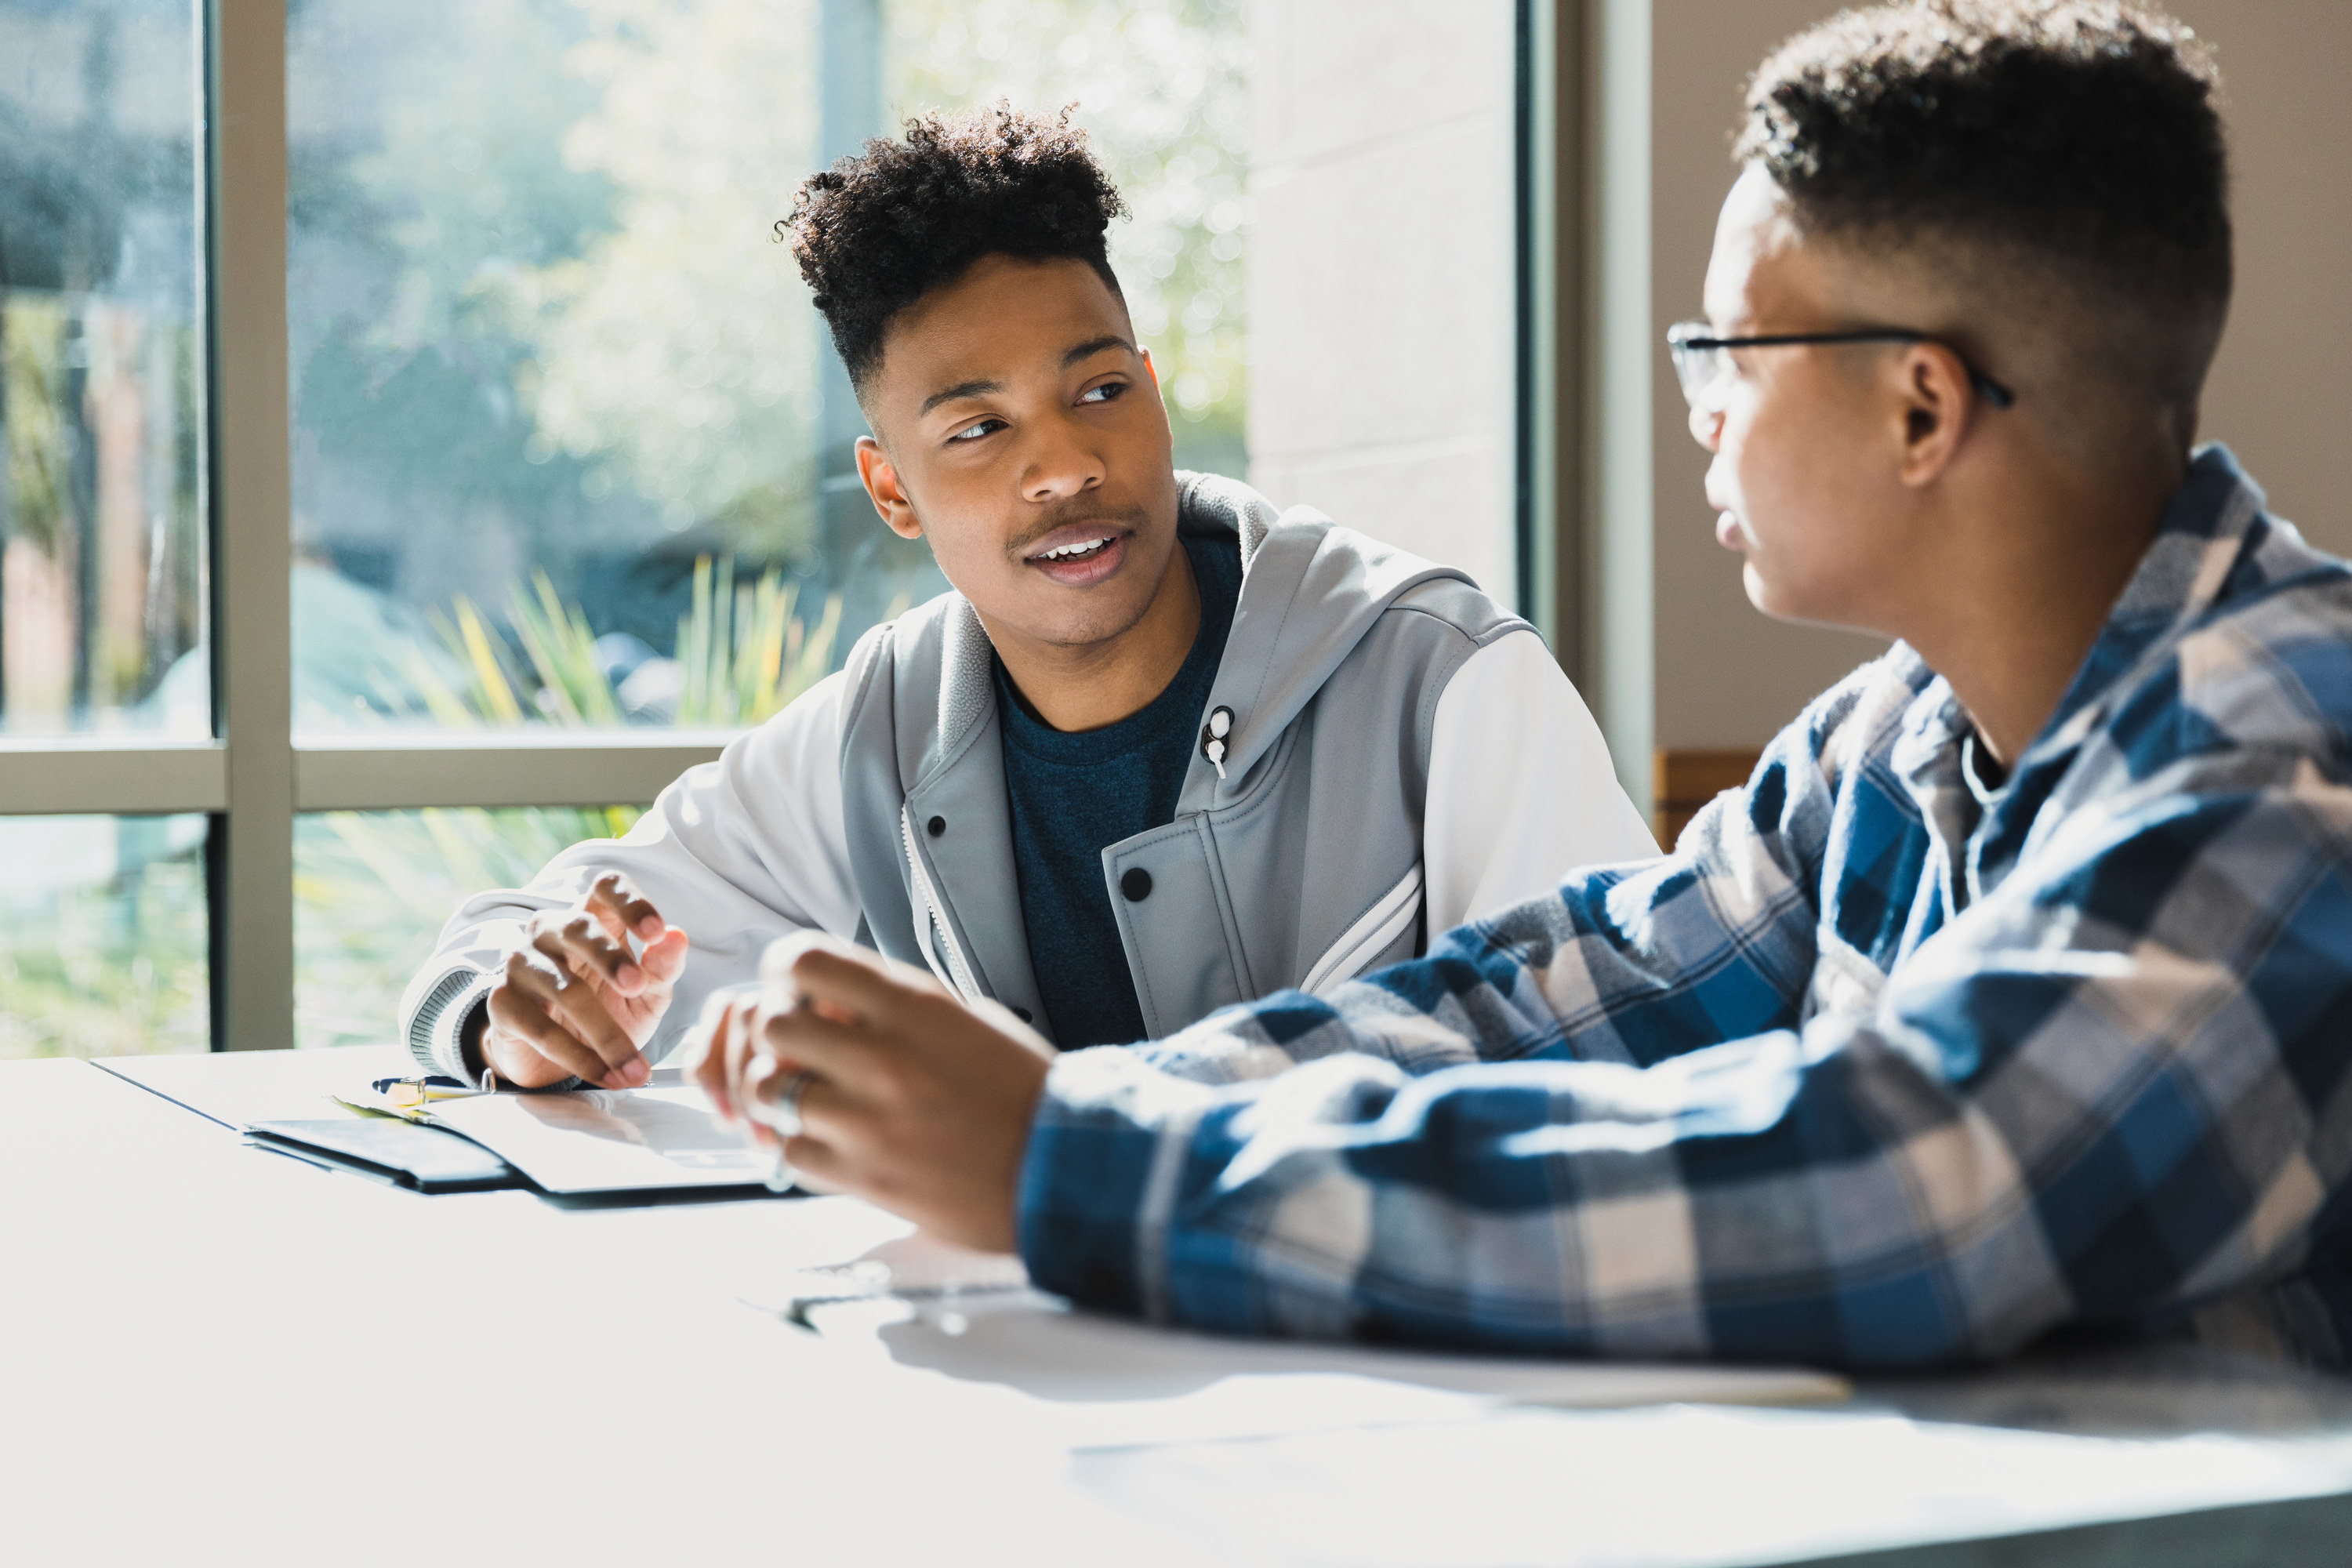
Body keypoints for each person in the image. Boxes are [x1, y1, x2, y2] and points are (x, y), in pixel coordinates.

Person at [695, 0, 2352, 1370]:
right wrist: (1033, 1107)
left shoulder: (2285, 748)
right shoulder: (1892, 739)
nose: (1697, 408)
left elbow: (1911, 1194)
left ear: (1921, 409)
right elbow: (1545, 1005)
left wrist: (1074, 1164)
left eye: (1727, 353)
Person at [397, 107, 1653, 1093]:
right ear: (893, 491)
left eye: (1100, 391)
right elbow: (513, 936)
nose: (1063, 467)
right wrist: (524, 1020)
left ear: (1156, 391)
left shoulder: (1443, 684)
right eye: (981, 428)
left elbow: (1641, 1057)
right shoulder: (880, 734)